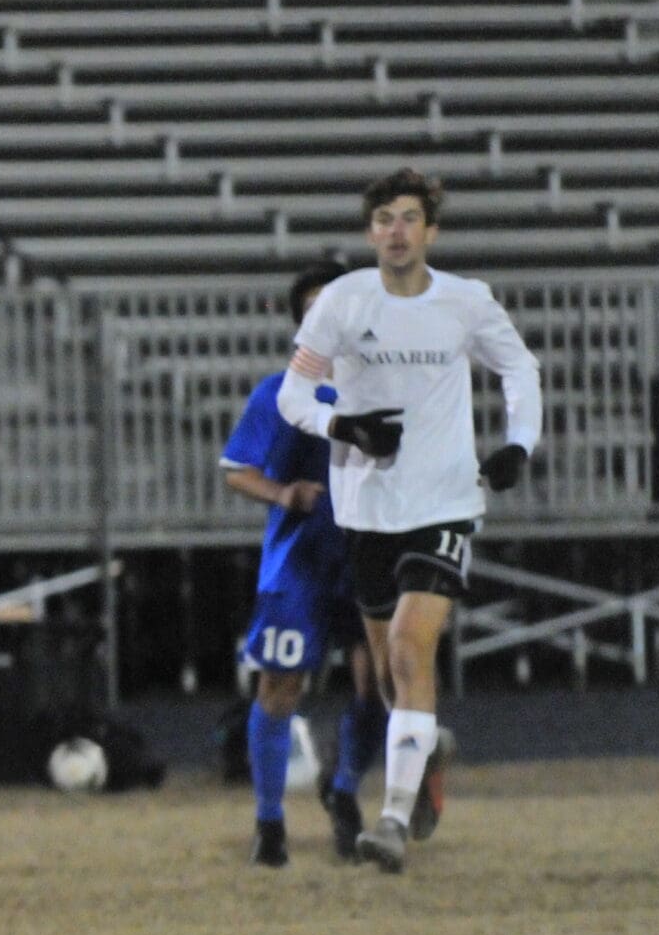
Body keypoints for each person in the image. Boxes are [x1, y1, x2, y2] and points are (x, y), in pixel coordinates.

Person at [277, 168, 541, 874]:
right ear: (371, 233)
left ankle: (391, 820)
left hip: (444, 502)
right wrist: (345, 426)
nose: (397, 231)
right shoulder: (342, 301)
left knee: (407, 646)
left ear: (432, 231)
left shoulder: (465, 301)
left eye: (409, 218)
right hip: (365, 507)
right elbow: (293, 395)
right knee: (394, 680)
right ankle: (427, 752)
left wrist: (519, 443)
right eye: (385, 219)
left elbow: (519, 369)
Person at [218, 263, 386, 867]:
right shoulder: (279, 393)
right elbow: (237, 470)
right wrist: (284, 493)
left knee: (379, 686)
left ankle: (343, 791)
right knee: (279, 685)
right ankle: (269, 823)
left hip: (370, 555)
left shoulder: (383, 388)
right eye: (316, 309)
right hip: (300, 563)